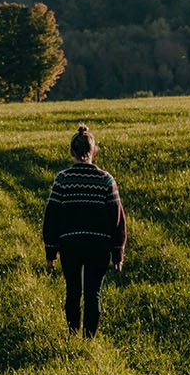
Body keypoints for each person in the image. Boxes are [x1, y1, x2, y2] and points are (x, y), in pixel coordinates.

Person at [41, 124, 127, 337]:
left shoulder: (62, 180)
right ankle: (88, 340)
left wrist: (51, 252)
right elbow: (117, 218)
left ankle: (72, 335)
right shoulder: (106, 180)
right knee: (92, 294)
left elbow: (51, 217)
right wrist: (118, 253)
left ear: (72, 151)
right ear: (94, 151)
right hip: (99, 246)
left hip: (70, 245)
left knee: (73, 292)